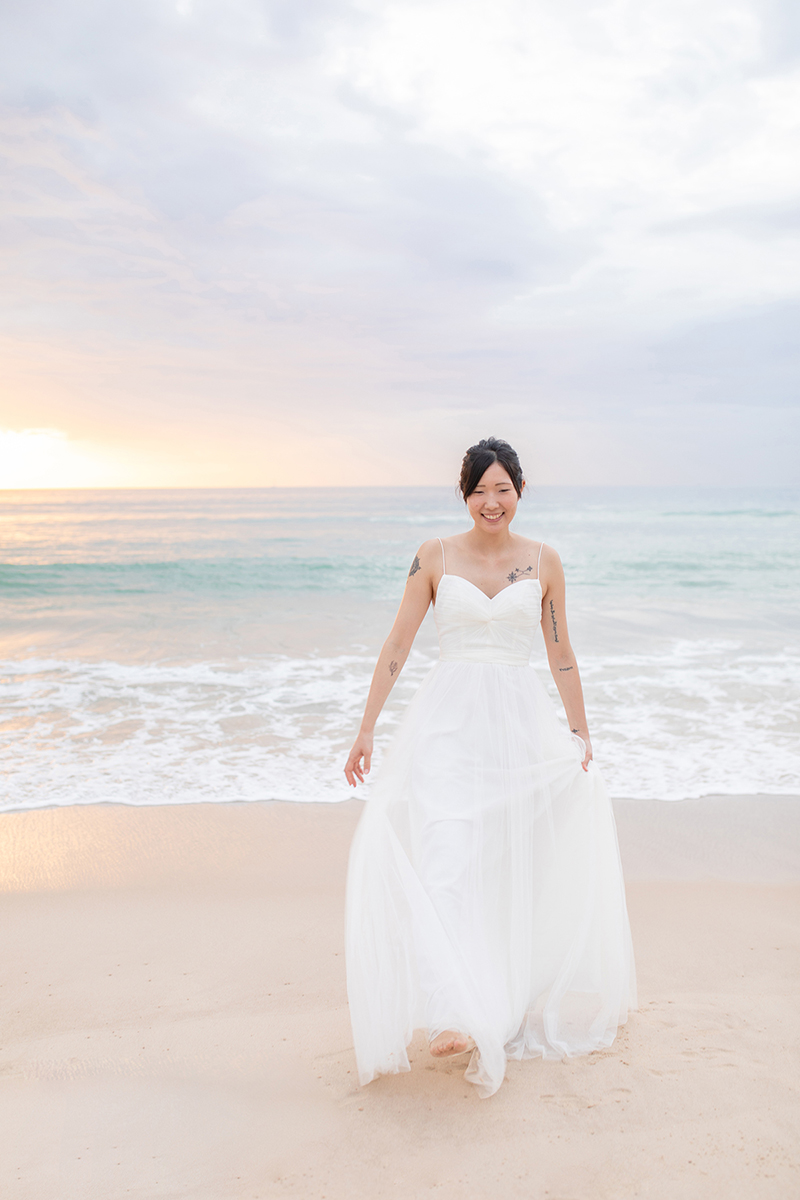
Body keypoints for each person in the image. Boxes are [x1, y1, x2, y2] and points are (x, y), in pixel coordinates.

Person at [344, 437, 636, 1099]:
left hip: (516, 730)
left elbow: (561, 653)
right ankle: (454, 1011)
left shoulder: (544, 562)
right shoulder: (433, 556)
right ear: (464, 495)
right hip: (446, 727)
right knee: (445, 854)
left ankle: (491, 1001)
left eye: (502, 488)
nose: (491, 501)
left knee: (501, 865)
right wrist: (366, 729)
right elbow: (398, 644)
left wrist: (579, 731)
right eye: (479, 489)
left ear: (520, 492)